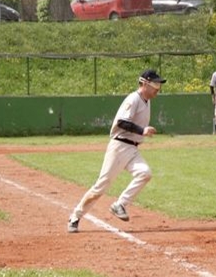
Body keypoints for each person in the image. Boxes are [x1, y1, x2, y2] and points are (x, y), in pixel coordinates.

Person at [67, 69, 166, 233]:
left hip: (132, 148)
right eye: (155, 84)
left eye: (158, 85)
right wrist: (142, 130)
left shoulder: (147, 101)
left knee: (145, 173)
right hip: (119, 147)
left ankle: (120, 204)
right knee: (101, 186)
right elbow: (122, 122)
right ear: (144, 83)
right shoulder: (133, 99)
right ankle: (75, 217)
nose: (158, 88)